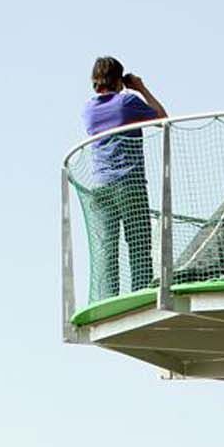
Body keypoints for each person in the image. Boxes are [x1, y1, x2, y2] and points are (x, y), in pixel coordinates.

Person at [81, 56, 168, 301]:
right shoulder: (127, 102)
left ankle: (107, 298)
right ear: (118, 79)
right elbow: (162, 118)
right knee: (138, 241)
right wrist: (140, 87)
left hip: (100, 185)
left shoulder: (88, 110)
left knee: (107, 248)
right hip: (129, 182)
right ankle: (140, 294)